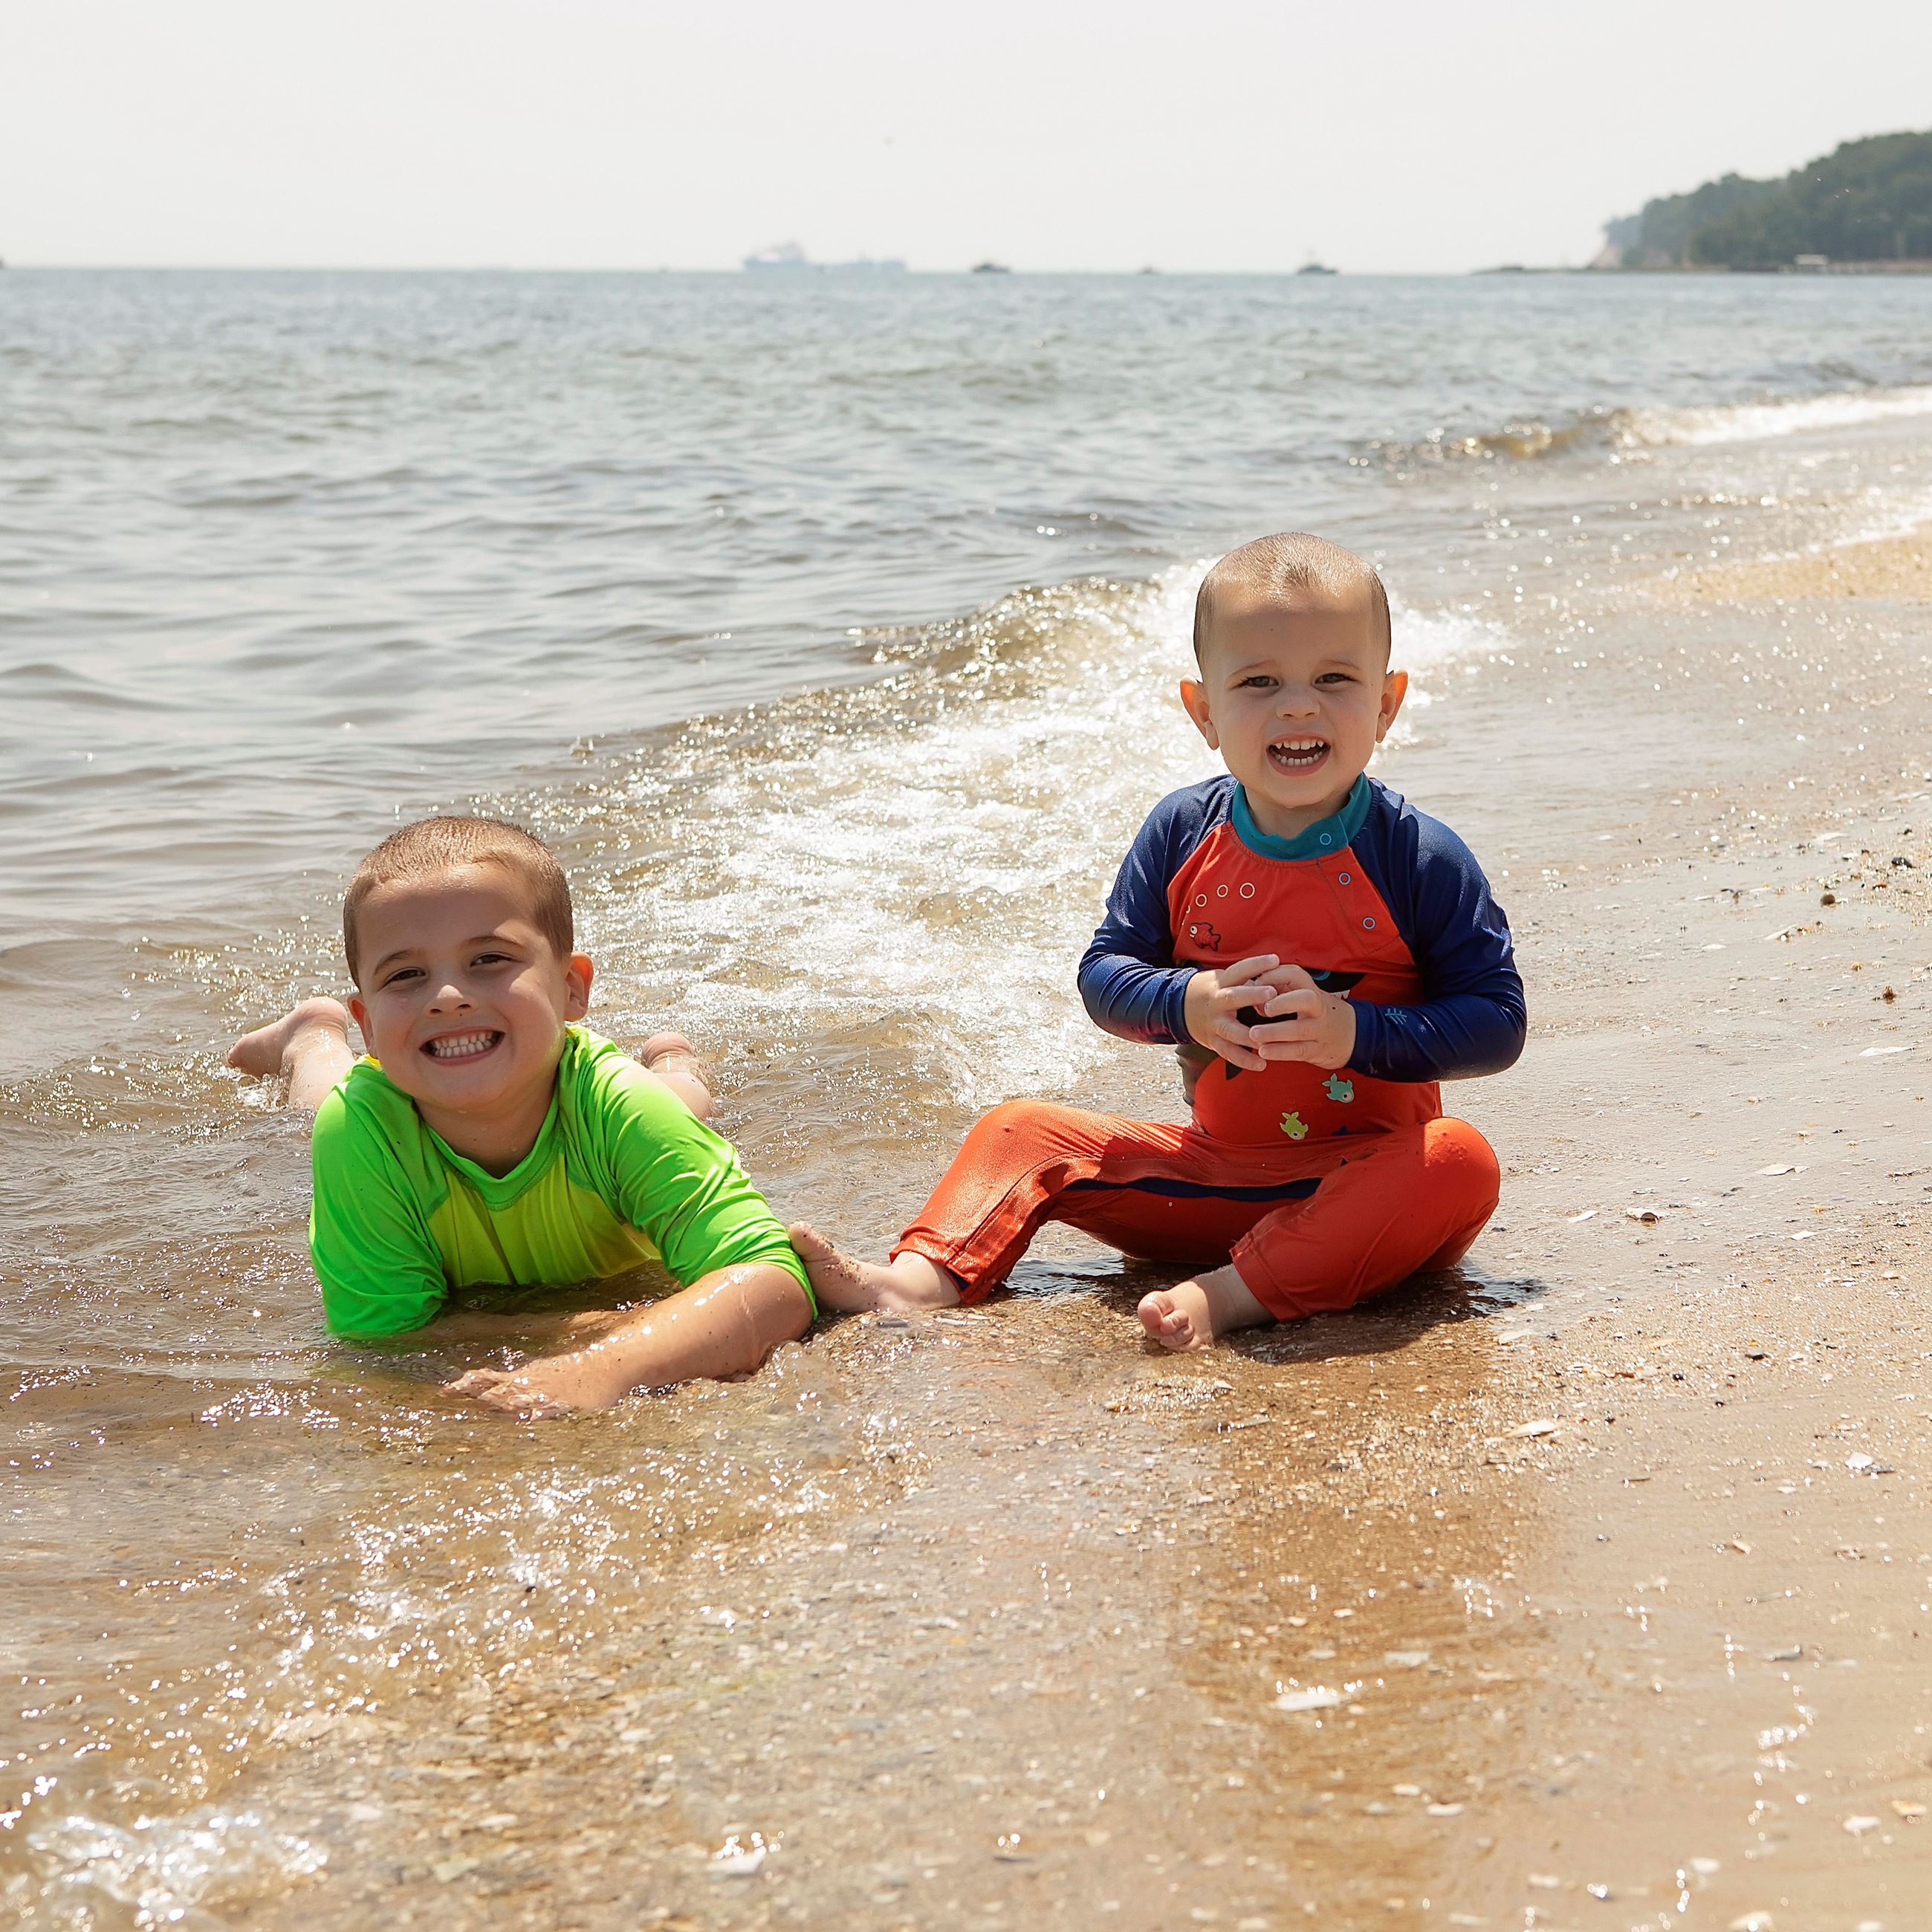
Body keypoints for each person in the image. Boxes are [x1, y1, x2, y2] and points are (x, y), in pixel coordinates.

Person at [791, 532, 1524, 1351]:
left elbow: (1495, 1021)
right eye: (1257, 681)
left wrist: (1355, 1032)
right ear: (1203, 710)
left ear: (1385, 704)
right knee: (1018, 1128)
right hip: (1207, 1181)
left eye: (1333, 678)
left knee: (1460, 1159)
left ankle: (1231, 1296)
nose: (1296, 705)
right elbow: (1103, 977)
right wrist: (1186, 1001)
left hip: (1371, 1194)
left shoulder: (1416, 855)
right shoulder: (1181, 832)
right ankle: (921, 1278)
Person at [227, 816, 813, 1415]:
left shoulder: (619, 1107)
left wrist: (598, 1369)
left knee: (682, 1103)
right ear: (370, 1023)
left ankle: (676, 1064)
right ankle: (316, 1035)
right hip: (377, 1098)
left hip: (608, 1102)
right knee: (324, 1101)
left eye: (489, 959)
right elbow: (383, 1341)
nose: (447, 996)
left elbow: (776, 1283)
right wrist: (607, 1324)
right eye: (406, 975)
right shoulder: (361, 1130)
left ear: (571, 989)